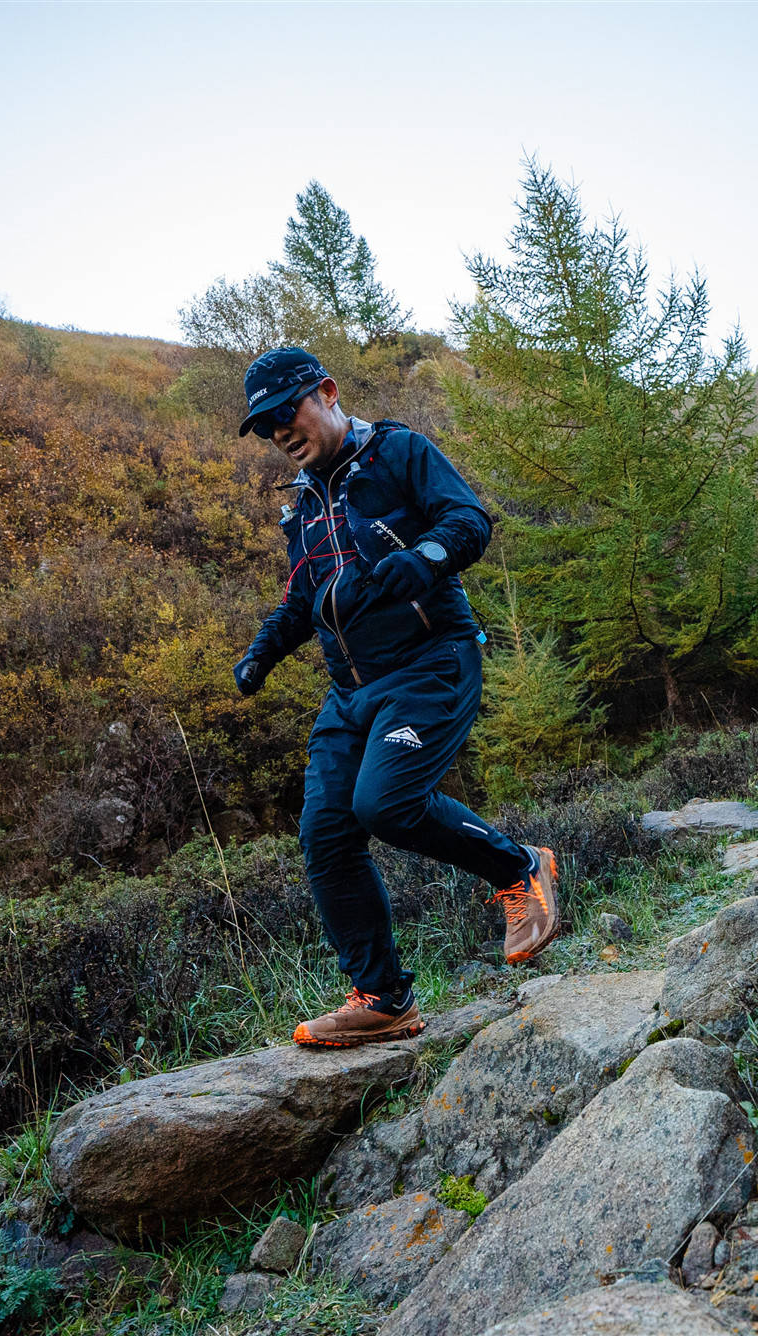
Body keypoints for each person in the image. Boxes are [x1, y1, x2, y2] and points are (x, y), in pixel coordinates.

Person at [231, 348, 559, 1049]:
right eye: (265, 427)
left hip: (430, 660)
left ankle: (520, 870)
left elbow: (467, 521)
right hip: (351, 690)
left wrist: (423, 558)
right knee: (325, 835)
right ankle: (383, 998)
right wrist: (263, 649)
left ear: (327, 391)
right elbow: (302, 600)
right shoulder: (302, 509)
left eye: (285, 413)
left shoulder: (399, 452)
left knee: (387, 803)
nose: (278, 433)